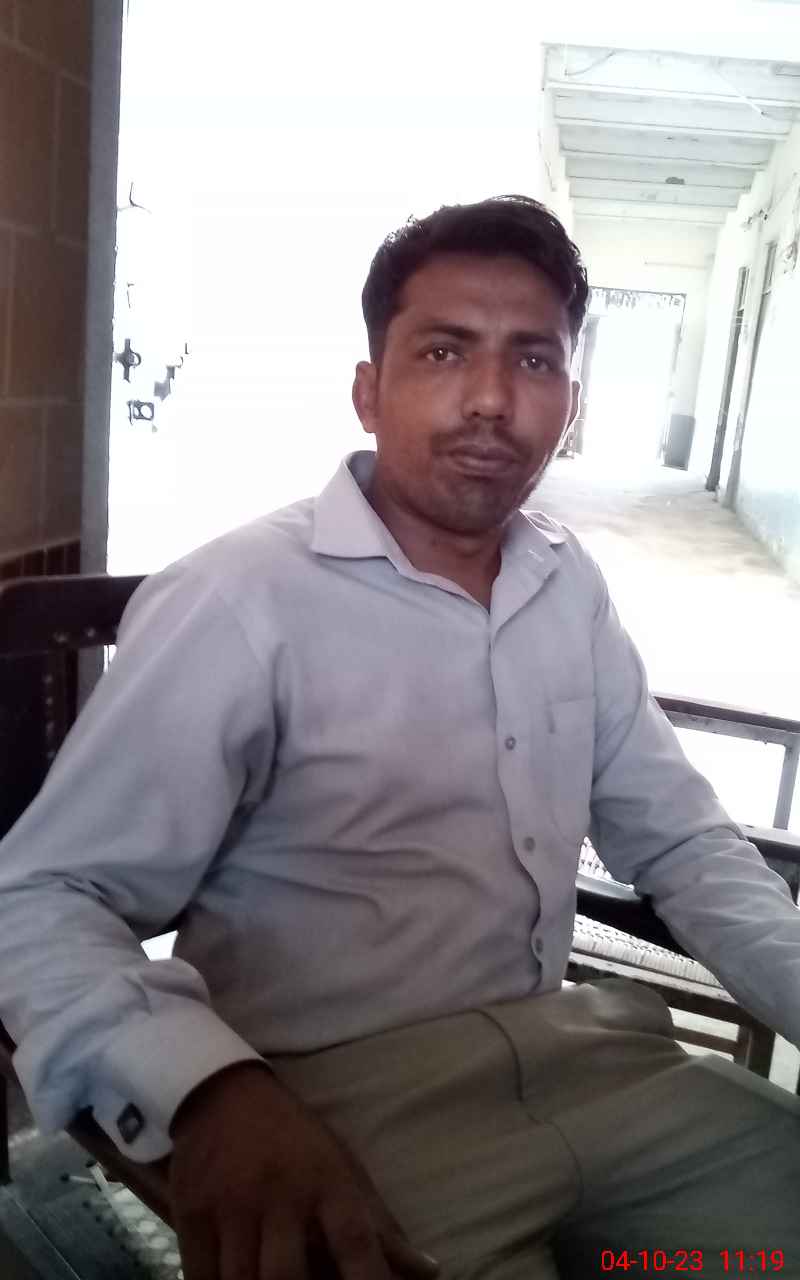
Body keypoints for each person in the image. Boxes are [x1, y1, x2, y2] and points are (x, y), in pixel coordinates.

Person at [1, 195, 800, 1280]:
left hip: (595, 1063)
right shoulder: (242, 600)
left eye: (532, 360)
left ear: (567, 401)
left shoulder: (566, 586)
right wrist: (207, 1090)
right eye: (442, 351)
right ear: (368, 390)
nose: (490, 399)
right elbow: (40, 895)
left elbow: (684, 842)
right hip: (332, 1113)